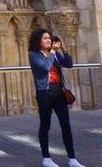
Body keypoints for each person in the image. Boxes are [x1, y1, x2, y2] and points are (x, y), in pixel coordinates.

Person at [28, 28, 86, 167]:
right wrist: (53, 52)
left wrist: (64, 50)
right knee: (45, 126)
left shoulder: (55, 54)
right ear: (38, 41)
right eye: (45, 38)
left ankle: (72, 159)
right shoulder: (34, 54)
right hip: (44, 93)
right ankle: (46, 158)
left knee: (66, 125)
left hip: (59, 93)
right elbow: (45, 67)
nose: (49, 40)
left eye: (49, 38)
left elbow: (69, 64)